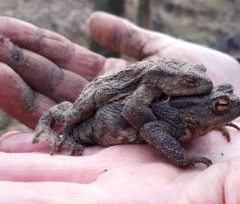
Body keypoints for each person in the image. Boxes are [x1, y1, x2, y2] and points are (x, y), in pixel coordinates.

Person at [0, 12, 240, 203]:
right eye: (221, 105)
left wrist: (214, 119)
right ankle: (50, 123)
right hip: (103, 109)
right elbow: (143, 121)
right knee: (73, 115)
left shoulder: (177, 93)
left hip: (123, 98)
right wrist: (181, 157)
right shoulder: (154, 90)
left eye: (221, 101)